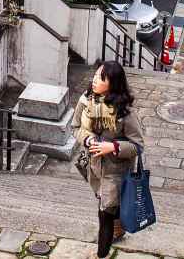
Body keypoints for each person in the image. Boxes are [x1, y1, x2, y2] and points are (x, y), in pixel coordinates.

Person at [73, 60, 144, 258]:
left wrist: (112, 146)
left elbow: (138, 146)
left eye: (101, 78)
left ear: (113, 83)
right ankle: (118, 226)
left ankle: (101, 254)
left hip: (116, 174)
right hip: (94, 168)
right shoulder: (86, 100)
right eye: (95, 75)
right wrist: (87, 139)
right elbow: (75, 127)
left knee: (104, 215)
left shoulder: (125, 112)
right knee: (109, 205)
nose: (94, 80)